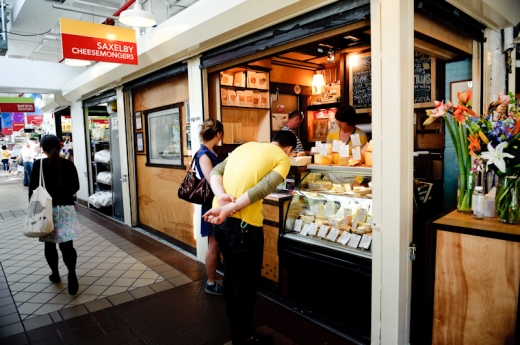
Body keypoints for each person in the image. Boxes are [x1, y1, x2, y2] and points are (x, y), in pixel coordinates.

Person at [203, 131, 296, 345]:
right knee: (245, 283)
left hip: (220, 219)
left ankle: (238, 329)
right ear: (289, 149)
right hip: (244, 225)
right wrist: (231, 208)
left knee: (231, 274)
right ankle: (243, 337)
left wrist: (221, 199)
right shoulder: (282, 158)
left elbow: (216, 171)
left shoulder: (245, 146)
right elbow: (263, 188)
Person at [29, 135, 81, 295]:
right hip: (65, 209)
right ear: (59, 146)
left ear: (42, 148)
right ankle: (72, 274)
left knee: (49, 245)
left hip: (46, 210)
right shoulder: (68, 164)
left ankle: (56, 274)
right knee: (67, 246)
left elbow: (32, 189)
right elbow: (76, 186)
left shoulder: (39, 164)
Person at [194, 119, 224, 295]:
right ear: (218, 134)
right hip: (211, 203)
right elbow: (211, 179)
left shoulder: (210, 151)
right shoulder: (203, 154)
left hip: (215, 202)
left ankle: (213, 281)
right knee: (213, 244)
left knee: (217, 243)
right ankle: (211, 283)